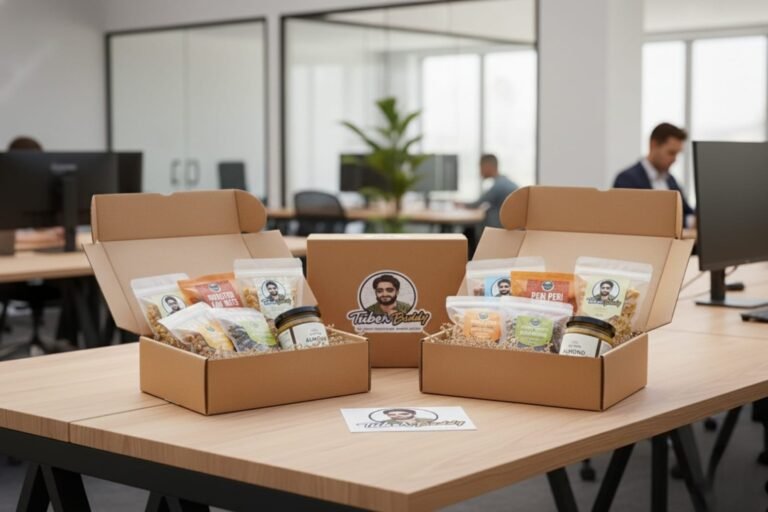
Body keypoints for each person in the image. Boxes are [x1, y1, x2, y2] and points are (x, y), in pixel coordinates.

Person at [613, 123, 694, 226]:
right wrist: (688, 222)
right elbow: (634, 220)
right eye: (671, 153)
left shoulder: (671, 180)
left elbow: (687, 212)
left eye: (677, 154)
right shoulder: (626, 179)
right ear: (654, 145)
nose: (674, 159)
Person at [462, 154, 518, 229]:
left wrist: (461, 205)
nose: (480, 172)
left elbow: (478, 203)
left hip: (501, 228)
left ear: (488, 167)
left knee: (471, 227)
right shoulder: (504, 181)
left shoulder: (499, 186)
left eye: (481, 167)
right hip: (511, 226)